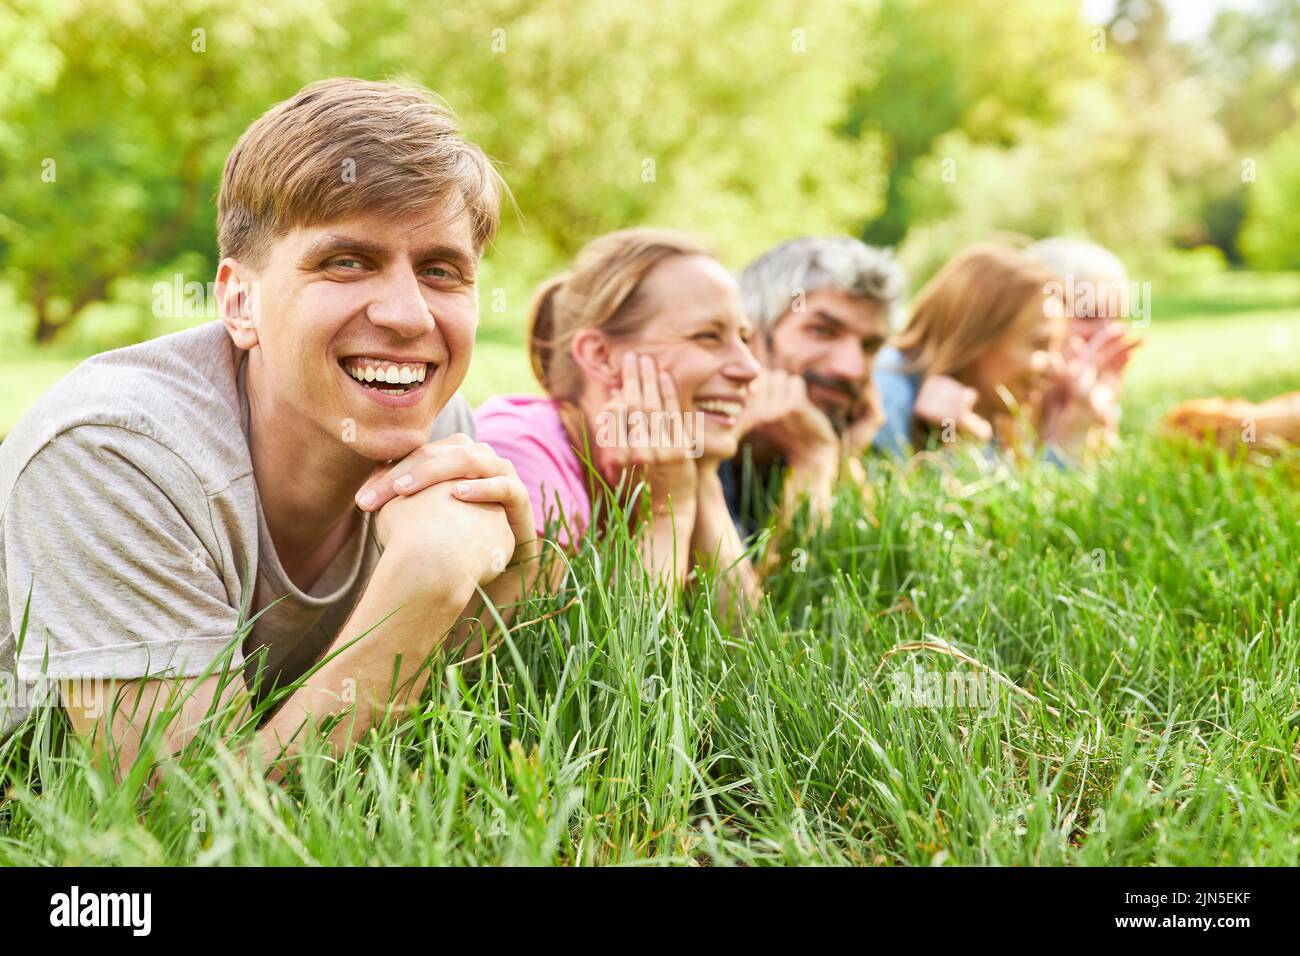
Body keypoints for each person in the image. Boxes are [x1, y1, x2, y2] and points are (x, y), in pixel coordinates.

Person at [0, 78, 538, 781]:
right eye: (348, 261)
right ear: (239, 301)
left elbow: (451, 739)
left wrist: (517, 572)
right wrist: (425, 588)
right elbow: (180, 820)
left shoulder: (434, 430)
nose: (410, 317)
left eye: (441, 271)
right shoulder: (112, 453)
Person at [475, 228, 763, 606]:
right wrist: (663, 514)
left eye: (743, 337)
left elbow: (740, 639)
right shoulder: (518, 454)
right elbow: (608, 661)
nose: (749, 367)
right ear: (600, 356)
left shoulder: (669, 463)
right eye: (709, 336)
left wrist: (702, 476)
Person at [723, 236, 906, 534]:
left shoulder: (818, 434)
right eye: (822, 331)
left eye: (869, 346)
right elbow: (785, 582)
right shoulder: (693, 447)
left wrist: (845, 458)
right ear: (749, 333)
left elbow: (866, 563)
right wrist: (814, 459)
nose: (852, 368)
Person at [871, 243, 1079, 460]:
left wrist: (965, 444)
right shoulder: (888, 394)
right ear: (976, 335)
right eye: (1039, 344)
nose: (1058, 369)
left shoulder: (977, 409)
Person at [1024, 237, 1143, 450]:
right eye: (1089, 315)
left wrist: (1098, 417)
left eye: (1117, 317)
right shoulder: (1003, 411)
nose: (1110, 333)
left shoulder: (1093, 394)